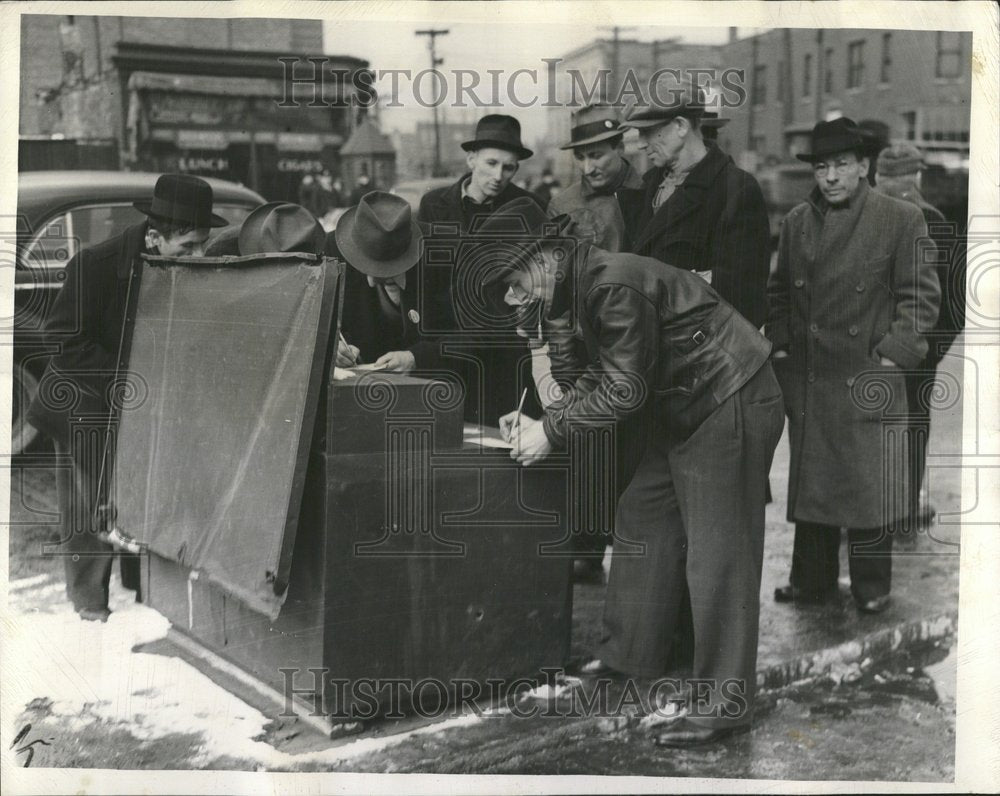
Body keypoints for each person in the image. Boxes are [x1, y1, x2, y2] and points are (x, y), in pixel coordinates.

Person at [483, 196, 783, 747]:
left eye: (512, 279)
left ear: (547, 256)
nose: (508, 295)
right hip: (677, 404)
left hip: (728, 397)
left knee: (719, 554)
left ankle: (724, 704)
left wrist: (550, 433)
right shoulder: (564, 292)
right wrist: (543, 416)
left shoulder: (610, 282)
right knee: (641, 516)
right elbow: (580, 382)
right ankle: (631, 657)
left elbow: (623, 388)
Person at [26, 174, 225, 622]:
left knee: (140, 501)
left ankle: (144, 597)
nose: (197, 257)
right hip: (82, 404)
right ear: (155, 236)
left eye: (202, 245)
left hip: (140, 404)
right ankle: (90, 608)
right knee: (87, 509)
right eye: (188, 246)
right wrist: (134, 378)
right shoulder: (94, 266)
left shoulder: (179, 266)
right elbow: (63, 341)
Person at [767, 118, 940, 613]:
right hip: (813, 376)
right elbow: (778, 292)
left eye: (841, 164)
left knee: (869, 490)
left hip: (867, 375)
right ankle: (812, 580)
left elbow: (920, 300)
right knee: (816, 482)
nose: (831, 177)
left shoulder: (900, 218)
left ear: (864, 166)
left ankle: (871, 587)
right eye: (822, 167)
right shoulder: (798, 221)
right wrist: (781, 343)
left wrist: (890, 358)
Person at [417, 113, 547, 427]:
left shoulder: (529, 207)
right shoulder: (434, 205)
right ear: (471, 158)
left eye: (509, 167)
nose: (500, 175)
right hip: (447, 346)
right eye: (491, 163)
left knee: (502, 438)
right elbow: (426, 280)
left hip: (502, 349)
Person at [618, 82, 771, 329]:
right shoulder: (647, 186)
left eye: (648, 132)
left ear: (680, 126)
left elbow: (744, 297)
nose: (641, 144)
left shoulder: (736, 189)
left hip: (701, 355)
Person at [874, 143, 965, 533]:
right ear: (918, 177)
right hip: (918, 352)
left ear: (877, 177)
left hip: (870, 349)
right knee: (913, 426)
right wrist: (931, 352)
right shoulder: (936, 221)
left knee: (868, 427)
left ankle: (866, 511)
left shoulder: (863, 218)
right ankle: (905, 508)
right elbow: (956, 301)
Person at [334, 191, 445, 373]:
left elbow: (476, 334)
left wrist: (417, 357)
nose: (372, 282)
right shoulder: (335, 249)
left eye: (387, 268)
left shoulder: (446, 254)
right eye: (368, 265)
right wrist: (335, 347)